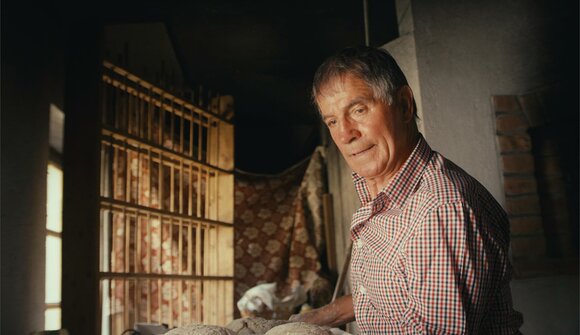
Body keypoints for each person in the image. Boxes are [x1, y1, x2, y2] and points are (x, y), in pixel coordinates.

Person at [290, 46, 523, 334]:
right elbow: (389, 295)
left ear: (403, 105)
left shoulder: (440, 210)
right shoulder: (388, 195)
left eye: (358, 110)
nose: (344, 135)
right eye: (333, 121)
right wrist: (309, 321)